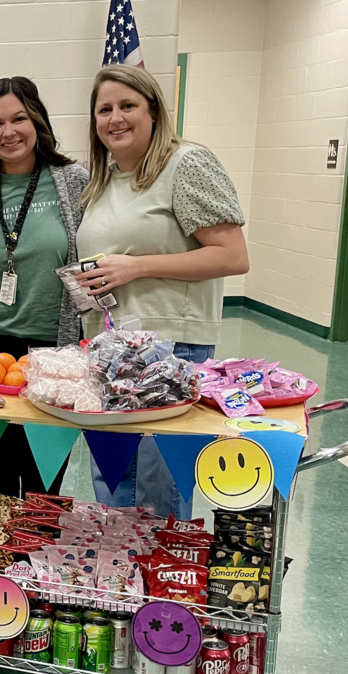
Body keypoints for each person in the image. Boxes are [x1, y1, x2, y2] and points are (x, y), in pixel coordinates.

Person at [76, 65, 249, 519]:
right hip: (109, 352)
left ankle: (161, 586)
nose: (115, 118)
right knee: (112, 484)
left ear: (153, 111)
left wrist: (136, 267)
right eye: (104, 109)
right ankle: (118, 582)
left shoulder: (186, 164)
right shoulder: (102, 180)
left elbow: (232, 256)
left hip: (170, 351)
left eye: (127, 106)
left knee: (157, 489)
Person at [0, 76, 89, 498]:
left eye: (19, 118)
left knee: (43, 479)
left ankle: (42, 560)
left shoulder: (73, 181)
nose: (8, 131)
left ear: (37, 121)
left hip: (53, 350)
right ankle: (0, 561)